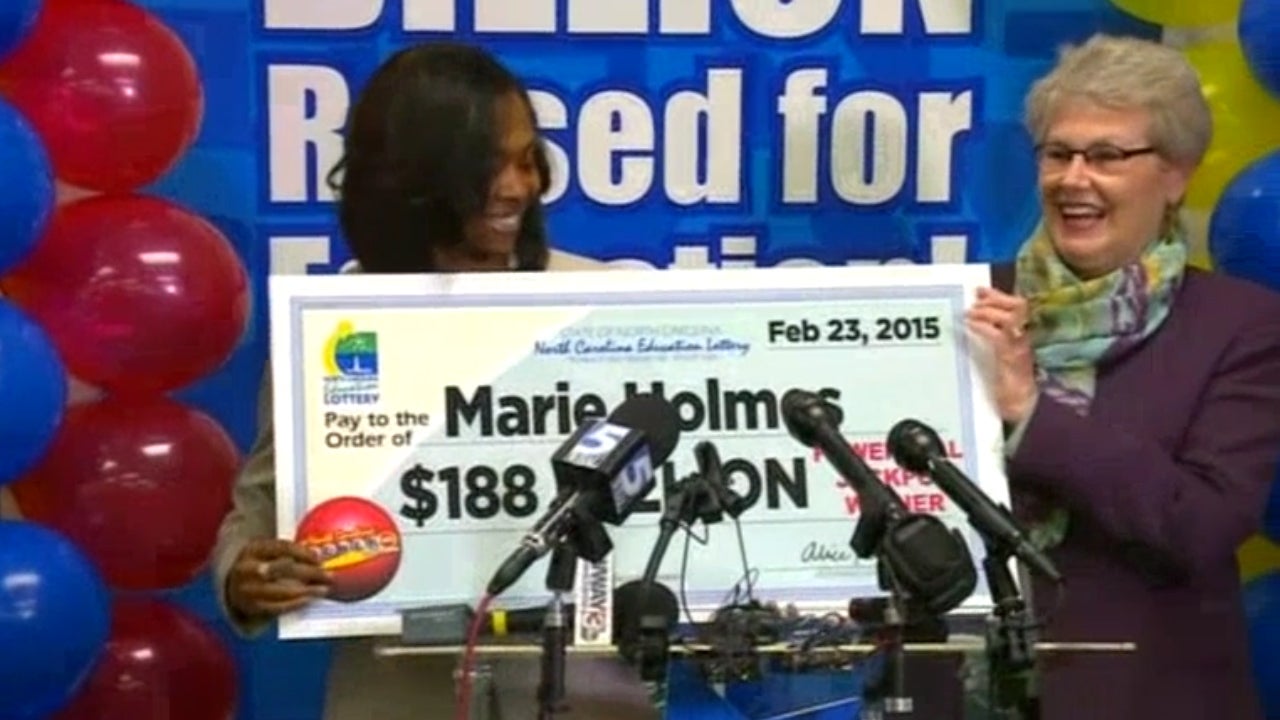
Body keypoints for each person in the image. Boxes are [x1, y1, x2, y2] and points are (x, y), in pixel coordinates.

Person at [211, 42, 655, 720]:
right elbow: (262, 505)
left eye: (527, 159)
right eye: (486, 167)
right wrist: (247, 575)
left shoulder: (607, 302)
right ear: (412, 181)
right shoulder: (333, 326)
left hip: (588, 692)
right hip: (400, 693)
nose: (516, 187)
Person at [967, 34, 1280, 720]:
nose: (1073, 179)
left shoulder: (1240, 327)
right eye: (1058, 153)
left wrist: (1032, 413)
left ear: (1176, 176)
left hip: (1143, 697)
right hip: (962, 693)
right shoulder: (974, 305)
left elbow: (1200, 523)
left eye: (1106, 156)